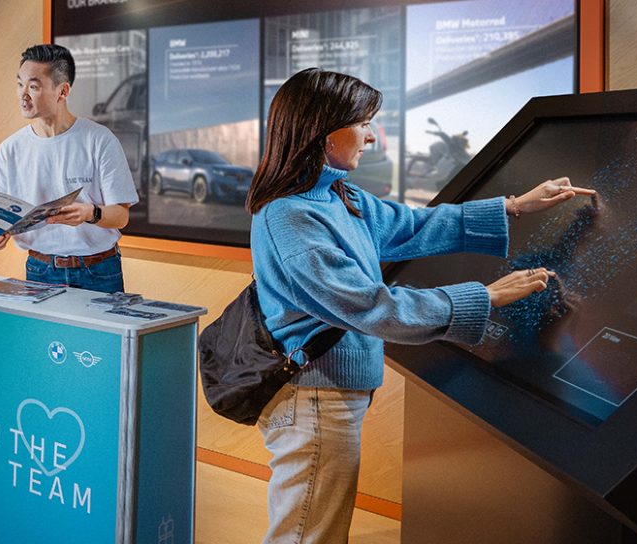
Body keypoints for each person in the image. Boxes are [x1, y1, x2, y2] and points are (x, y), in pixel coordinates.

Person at [247, 67, 595, 543]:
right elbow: (374, 307)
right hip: (313, 400)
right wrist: (486, 296)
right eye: (363, 122)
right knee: (308, 533)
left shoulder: (335, 196)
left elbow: (412, 226)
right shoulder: (291, 217)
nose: (372, 135)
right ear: (324, 132)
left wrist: (515, 206)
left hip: (327, 396)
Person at [0, 44, 138, 292]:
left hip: (99, 271)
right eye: (19, 84)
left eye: (33, 86)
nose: (23, 94)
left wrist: (91, 213)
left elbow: (122, 216)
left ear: (62, 91)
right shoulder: (10, 149)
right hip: (40, 270)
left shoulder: (99, 140)